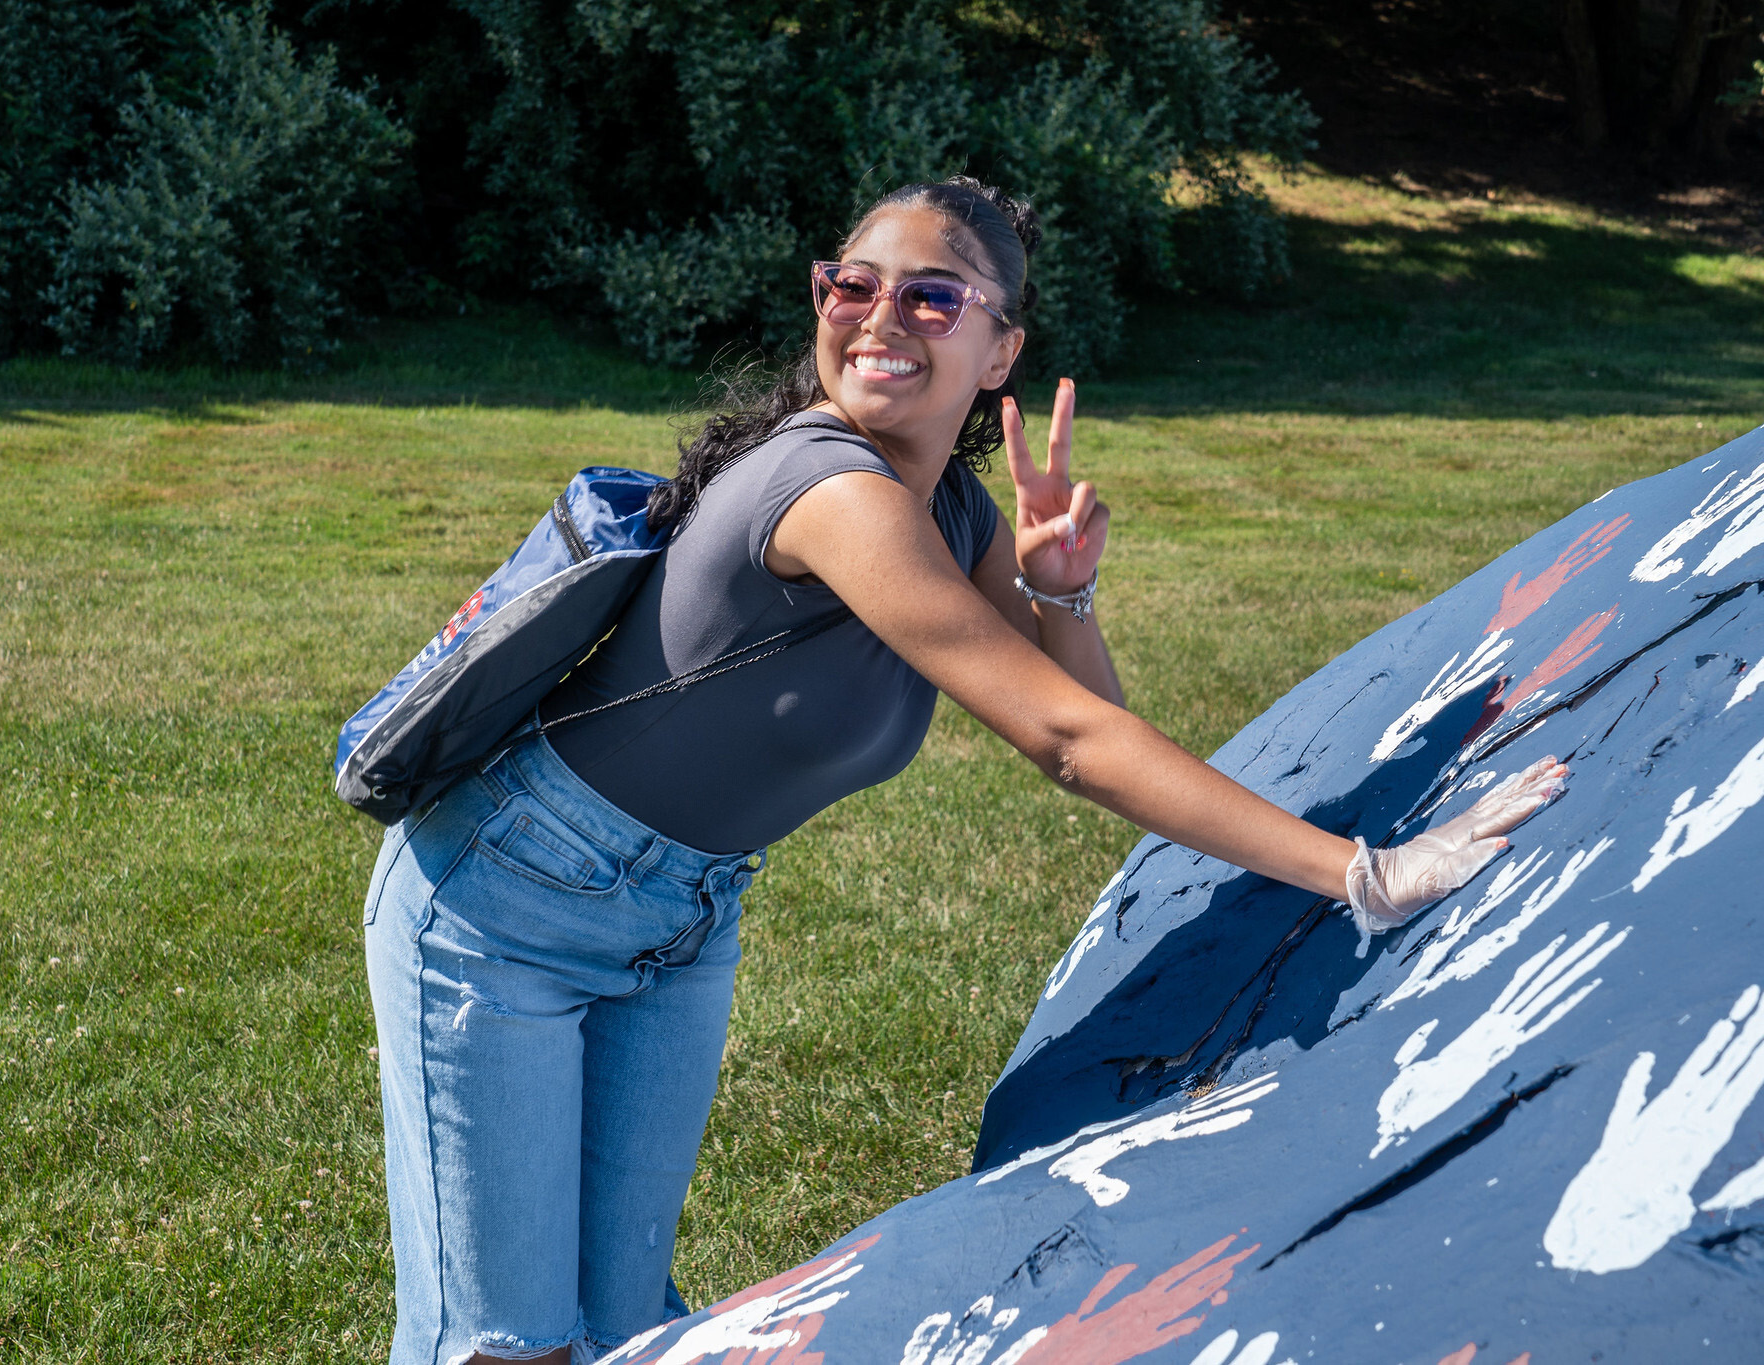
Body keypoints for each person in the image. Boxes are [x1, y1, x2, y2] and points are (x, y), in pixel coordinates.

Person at [361, 177, 1566, 1365]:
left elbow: (1086, 719)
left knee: (628, 1331)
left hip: (676, 918)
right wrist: (1364, 873)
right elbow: (1071, 745)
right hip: (501, 902)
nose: (880, 318)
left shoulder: (946, 517)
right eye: (854, 284)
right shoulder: (827, 490)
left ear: (1001, 351)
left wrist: (1059, 590)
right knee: (504, 1345)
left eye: (934, 299)